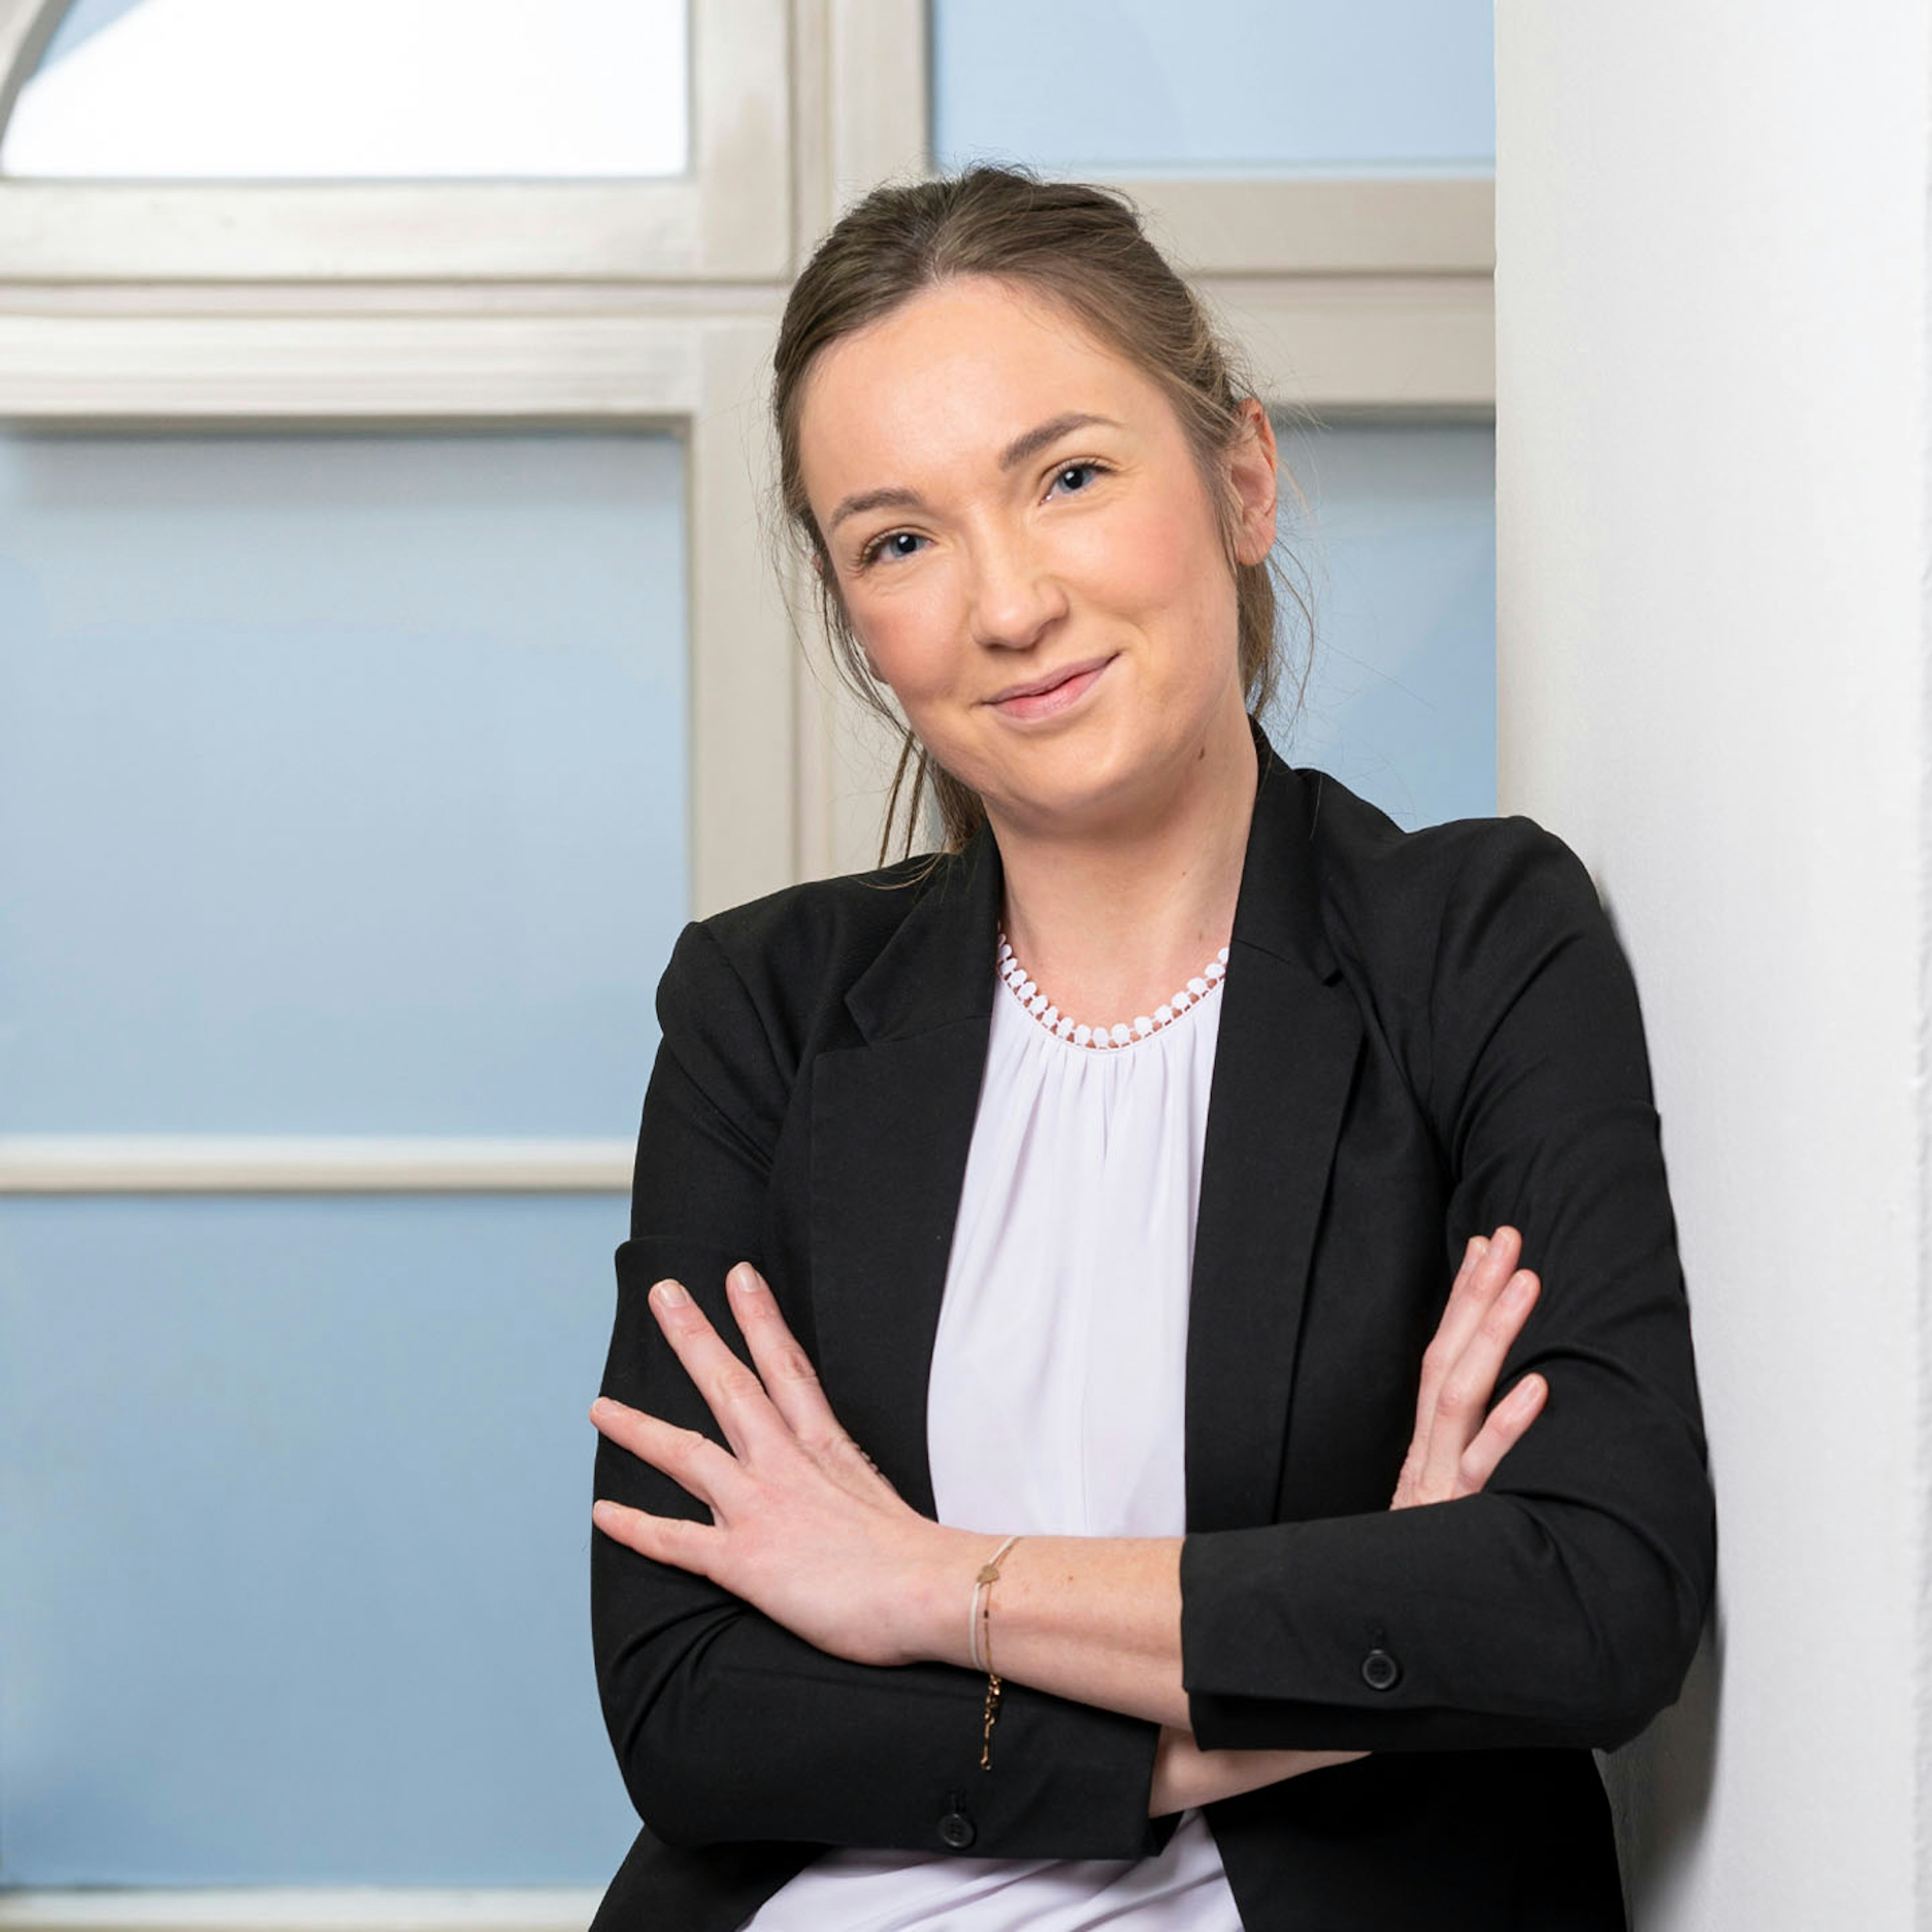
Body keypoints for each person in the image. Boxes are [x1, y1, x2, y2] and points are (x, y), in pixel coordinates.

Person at [584, 165, 1716, 1931]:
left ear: (1241, 479)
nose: (1008, 603)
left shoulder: (1474, 943)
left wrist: (926, 1588)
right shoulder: (763, 1007)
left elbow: (1589, 1599)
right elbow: (684, 1706)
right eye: (900, 539)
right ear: (857, 623)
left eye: (1071, 477)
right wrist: (1297, 1685)